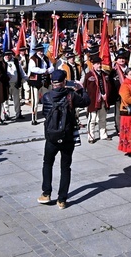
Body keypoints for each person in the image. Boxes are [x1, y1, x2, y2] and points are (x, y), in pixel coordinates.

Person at [38, 70, 90, 208]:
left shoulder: (47, 96)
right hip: (67, 136)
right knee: (65, 167)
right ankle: (62, 200)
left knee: (47, 163)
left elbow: (42, 106)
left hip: (51, 137)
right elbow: (86, 101)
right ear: (64, 82)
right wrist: (81, 89)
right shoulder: (71, 95)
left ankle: (46, 193)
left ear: (52, 83)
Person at [84, 53, 113, 143]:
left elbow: (109, 86)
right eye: (97, 64)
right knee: (92, 119)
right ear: (93, 65)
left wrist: (106, 95)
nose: (99, 65)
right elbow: (85, 87)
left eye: (100, 63)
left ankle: (103, 134)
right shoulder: (89, 75)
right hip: (93, 101)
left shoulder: (105, 75)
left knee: (103, 118)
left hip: (104, 100)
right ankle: (91, 136)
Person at [28, 44, 53, 125]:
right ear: (36, 51)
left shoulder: (46, 58)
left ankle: (48, 116)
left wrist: (48, 71)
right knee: (35, 101)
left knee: (47, 100)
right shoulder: (33, 59)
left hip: (45, 82)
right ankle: (34, 118)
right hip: (36, 82)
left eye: (41, 50)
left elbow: (52, 67)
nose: (41, 51)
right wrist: (43, 71)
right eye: (39, 50)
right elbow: (33, 69)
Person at [4, 49, 25, 120]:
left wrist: (25, 78)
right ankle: (6, 114)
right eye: (6, 55)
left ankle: (18, 113)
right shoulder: (2, 62)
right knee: (5, 100)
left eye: (9, 55)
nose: (7, 56)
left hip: (15, 83)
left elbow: (20, 70)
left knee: (16, 99)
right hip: (6, 83)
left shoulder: (15, 61)